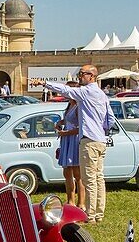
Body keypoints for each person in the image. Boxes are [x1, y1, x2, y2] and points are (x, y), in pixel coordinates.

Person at [42, 65, 115, 223]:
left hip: (89, 140)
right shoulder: (102, 95)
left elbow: (66, 90)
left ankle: (91, 214)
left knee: (89, 179)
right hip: (100, 139)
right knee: (99, 178)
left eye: (82, 74)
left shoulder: (86, 91)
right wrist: (101, 130)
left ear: (92, 76)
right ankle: (99, 213)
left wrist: (44, 83)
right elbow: (110, 119)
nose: (80, 76)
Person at [55, 89, 83, 208]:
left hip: (74, 140)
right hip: (66, 140)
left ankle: (81, 203)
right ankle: (70, 200)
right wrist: (59, 123)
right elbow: (68, 120)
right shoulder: (69, 105)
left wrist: (66, 133)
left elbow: (81, 127)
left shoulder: (78, 106)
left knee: (78, 174)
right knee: (67, 173)